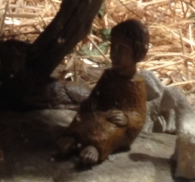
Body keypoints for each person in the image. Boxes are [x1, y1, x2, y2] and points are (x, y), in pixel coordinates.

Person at [59, 19, 150, 166]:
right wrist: (91, 103)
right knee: (83, 116)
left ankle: (96, 147)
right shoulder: (108, 75)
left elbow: (139, 116)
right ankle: (74, 137)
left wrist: (127, 119)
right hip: (100, 115)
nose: (114, 53)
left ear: (137, 53)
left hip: (118, 125)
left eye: (122, 49)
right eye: (112, 47)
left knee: (111, 129)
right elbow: (96, 95)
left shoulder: (136, 84)